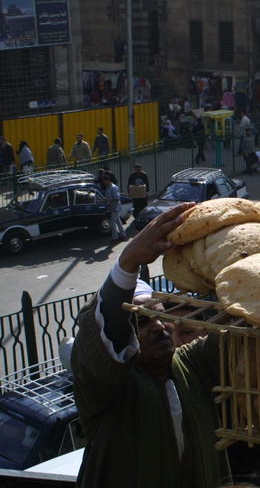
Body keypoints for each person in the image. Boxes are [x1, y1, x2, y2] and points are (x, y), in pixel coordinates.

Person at [71, 203, 230, 487]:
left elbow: (233, 331)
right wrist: (128, 263)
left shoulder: (190, 364)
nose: (158, 325)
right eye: (141, 323)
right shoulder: (106, 389)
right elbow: (102, 333)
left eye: (159, 315)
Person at [101, 172, 126, 241]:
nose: (104, 183)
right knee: (118, 221)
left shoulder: (113, 187)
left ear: (107, 180)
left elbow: (117, 198)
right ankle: (123, 234)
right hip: (112, 207)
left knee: (113, 222)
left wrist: (108, 200)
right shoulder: (108, 187)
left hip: (115, 207)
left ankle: (115, 237)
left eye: (104, 181)